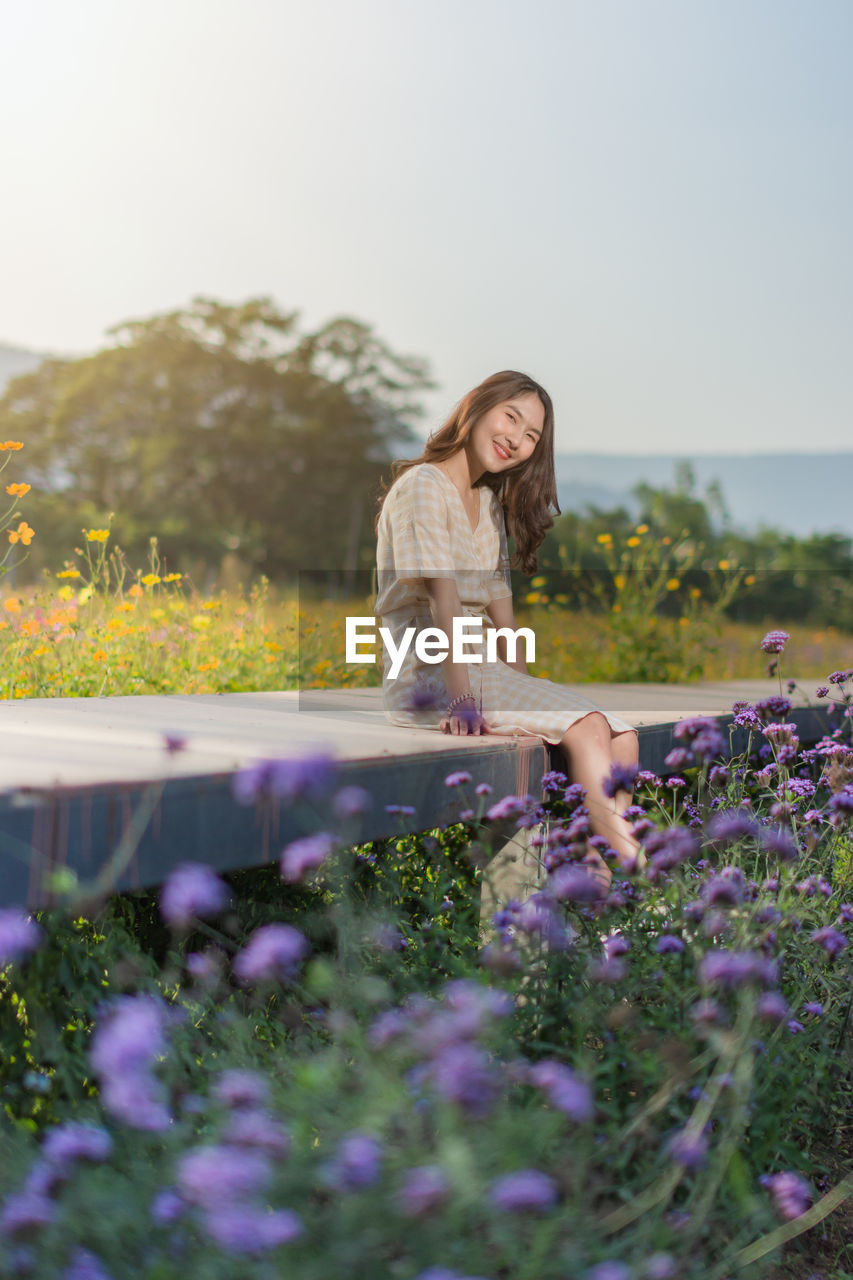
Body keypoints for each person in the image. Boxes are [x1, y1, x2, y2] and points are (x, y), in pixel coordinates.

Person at [373, 370, 641, 897]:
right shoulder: (424, 487)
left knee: (622, 735)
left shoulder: (488, 504)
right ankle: (622, 876)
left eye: (532, 436)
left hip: (481, 671)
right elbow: (441, 602)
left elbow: (503, 613)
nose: (516, 439)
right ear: (476, 408)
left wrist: (529, 697)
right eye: (511, 418)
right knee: (587, 727)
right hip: (429, 675)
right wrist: (464, 702)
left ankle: (594, 872)